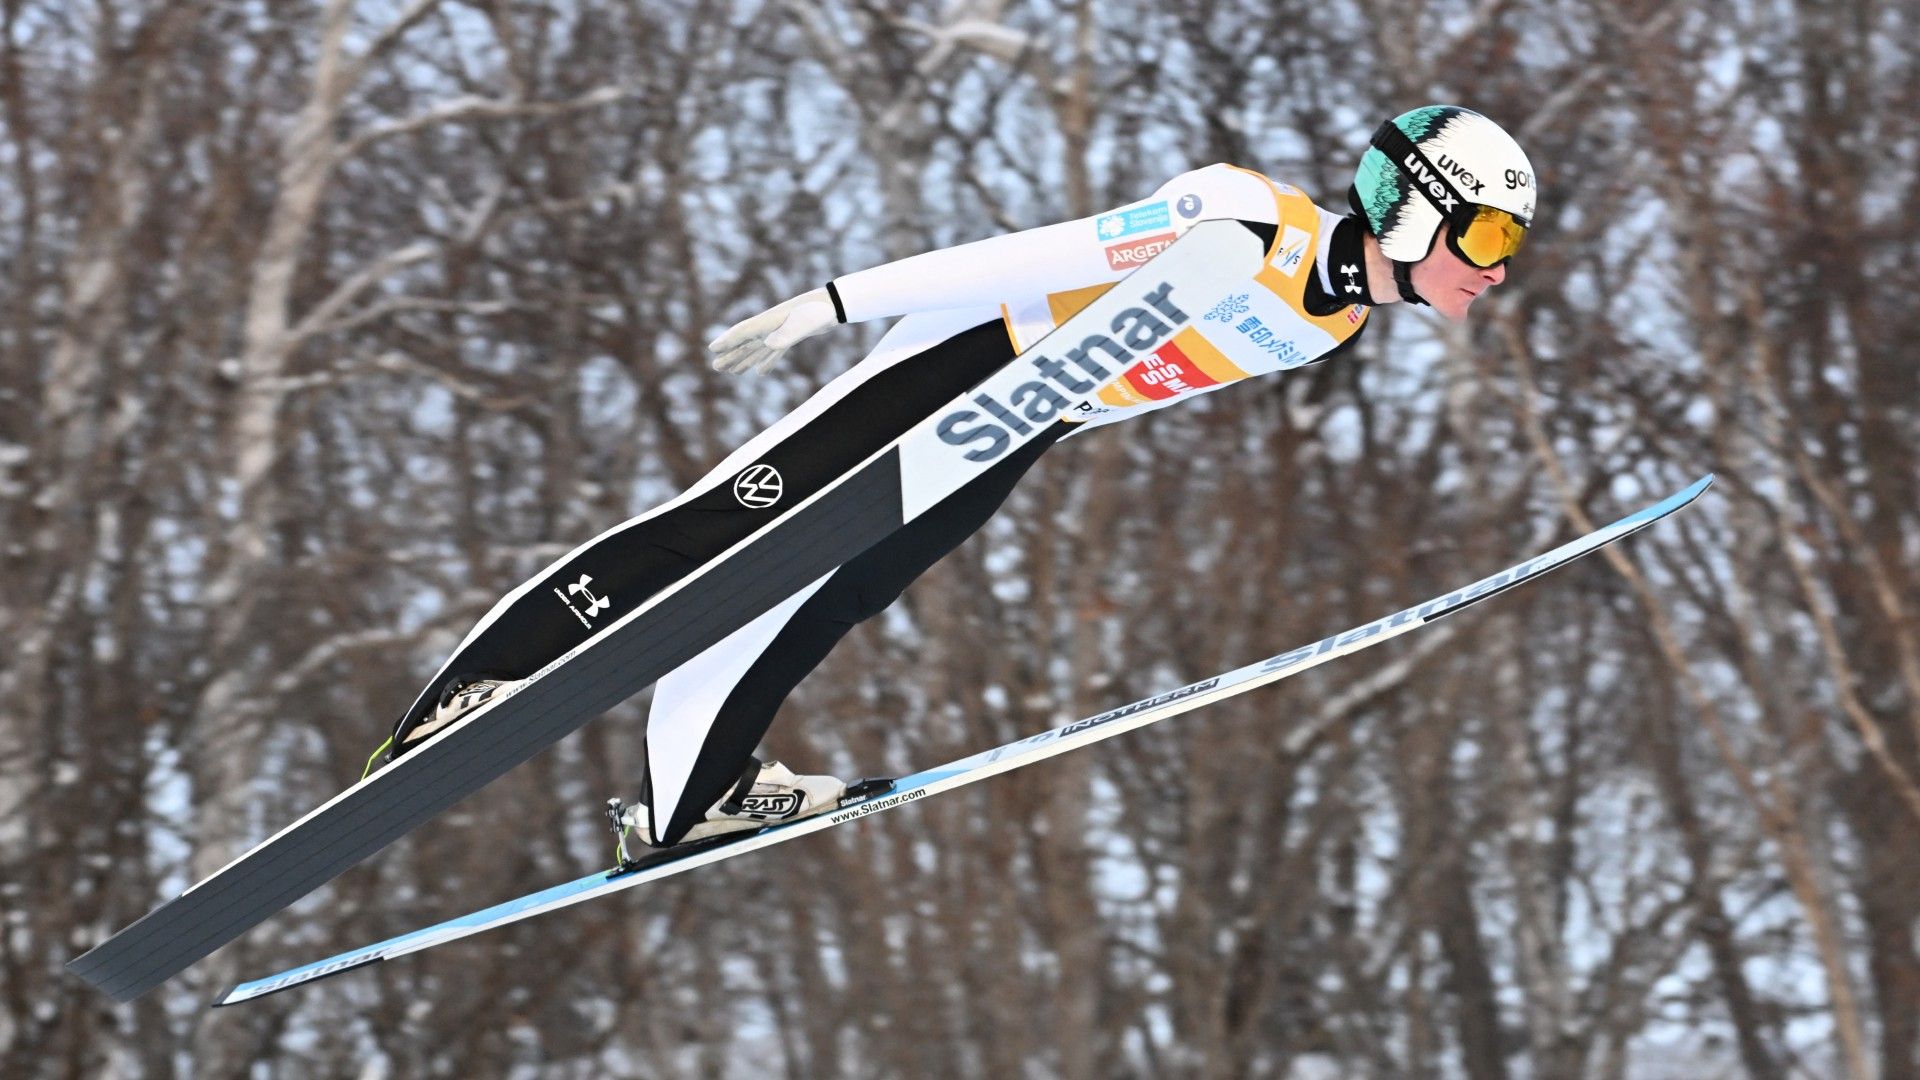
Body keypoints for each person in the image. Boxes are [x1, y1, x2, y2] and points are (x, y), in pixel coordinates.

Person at [379, 104, 1538, 851]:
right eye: (1484, 240)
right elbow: (1040, 257)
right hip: (958, 366)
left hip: (1023, 430)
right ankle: (473, 691)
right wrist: (838, 303)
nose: (1493, 273)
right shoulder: (1247, 219)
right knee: (717, 534)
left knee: (822, 598)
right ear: (1412, 208)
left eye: (1507, 252)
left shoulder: (1329, 331)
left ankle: (693, 797)